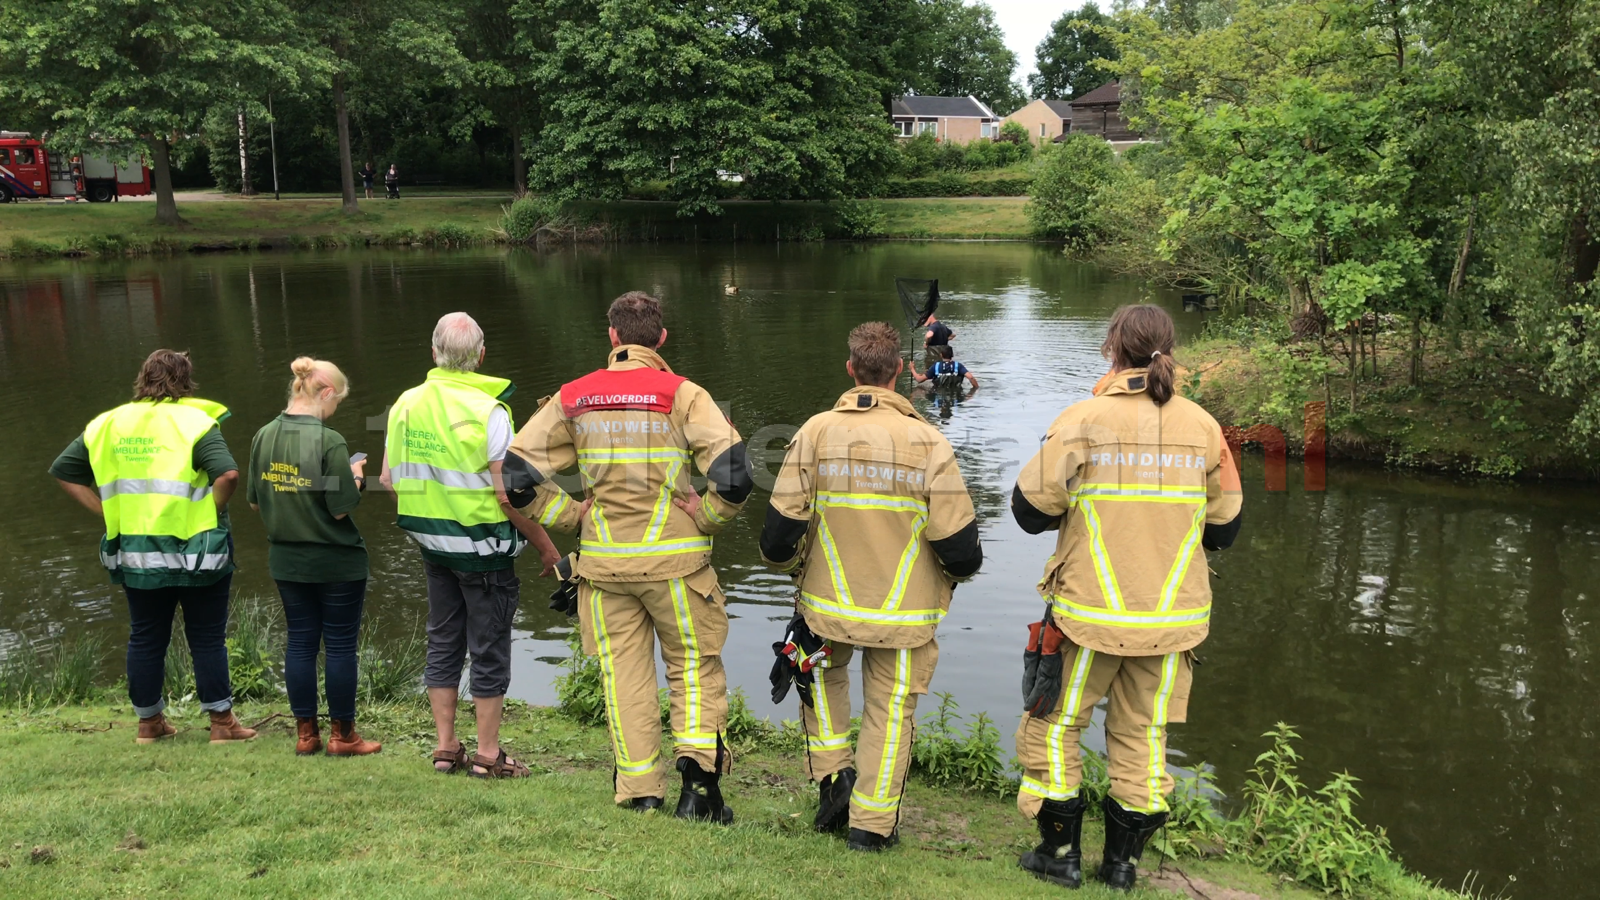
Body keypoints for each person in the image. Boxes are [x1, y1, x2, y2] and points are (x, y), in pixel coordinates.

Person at [1009, 304, 1242, 891]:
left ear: (1112, 348)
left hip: (1087, 615)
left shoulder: (1083, 419)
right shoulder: (1205, 428)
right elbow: (1225, 529)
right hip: (1172, 622)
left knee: (1056, 725)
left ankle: (1059, 855)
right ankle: (1122, 867)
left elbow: (1028, 511)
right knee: (1144, 738)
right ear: (1169, 348)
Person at [506, 291, 753, 821]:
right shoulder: (683, 394)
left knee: (624, 676)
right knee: (693, 669)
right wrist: (706, 514)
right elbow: (736, 475)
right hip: (679, 567)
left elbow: (515, 478)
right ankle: (699, 791)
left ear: (613, 337)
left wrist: (573, 515)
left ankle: (641, 792)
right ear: (660, 339)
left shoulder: (573, 397)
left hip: (605, 568)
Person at [759, 322, 983, 851]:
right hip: (905, 614)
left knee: (823, 688)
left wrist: (798, 568)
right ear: (902, 372)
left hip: (825, 606)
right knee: (889, 712)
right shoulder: (930, 441)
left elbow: (775, 539)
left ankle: (833, 781)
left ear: (850, 369)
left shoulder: (814, 433)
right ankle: (871, 828)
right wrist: (946, 578)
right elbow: (962, 552)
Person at [381, 313, 561, 778]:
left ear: (433, 352)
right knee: (488, 647)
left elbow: (387, 478)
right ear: (481, 356)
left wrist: (434, 513)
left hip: (433, 546)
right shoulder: (490, 411)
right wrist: (544, 545)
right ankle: (487, 754)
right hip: (483, 553)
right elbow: (508, 495)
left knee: (442, 640)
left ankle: (445, 748)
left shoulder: (405, 403)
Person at [49, 349, 256, 745]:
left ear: (142, 378)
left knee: (145, 635)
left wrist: (109, 515)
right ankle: (221, 723)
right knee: (207, 637)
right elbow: (228, 474)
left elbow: (65, 472)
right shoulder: (195, 421)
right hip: (198, 554)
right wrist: (208, 510)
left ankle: (149, 723)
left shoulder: (107, 423)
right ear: (185, 380)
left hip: (136, 553)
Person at [247, 357, 380, 758]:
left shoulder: (263, 436)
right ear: (324, 393)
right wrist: (356, 475)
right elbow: (340, 507)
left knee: (300, 643)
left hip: (287, 561)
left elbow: (255, 503)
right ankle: (344, 736)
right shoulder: (329, 440)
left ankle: (306, 734)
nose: (335, 408)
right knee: (339, 646)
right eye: (336, 399)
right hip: (336, 561)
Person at [910, 345, 979, 391]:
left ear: (941, 355)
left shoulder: (935, 366)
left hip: (938, 392)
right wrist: (975, 389)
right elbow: (971, 377)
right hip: (955, 393)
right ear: (952, 355)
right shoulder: (958, 366)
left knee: (919, 392)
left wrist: (912, 369)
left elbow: (919, 380)